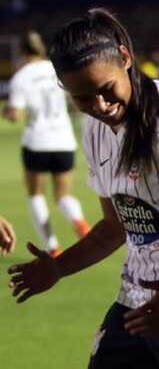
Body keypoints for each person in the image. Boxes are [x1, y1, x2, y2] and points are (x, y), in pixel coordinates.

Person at [7, 8, 159, 369]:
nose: (100, 106)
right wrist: (58, 268)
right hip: (139, 298)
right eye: (83, 98)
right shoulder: (94, 128)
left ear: (125, 57)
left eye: (106, 90)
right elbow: (115, 227)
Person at [2, 30, 91, 256]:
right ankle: (79, 221)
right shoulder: (56, 70)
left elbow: (17, 115)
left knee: (36, 195)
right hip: (63, 140)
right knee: (63, 195)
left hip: (36, 142)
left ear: (21, 50)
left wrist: (8, 112)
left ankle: (52, 247)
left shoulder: (22, 77)